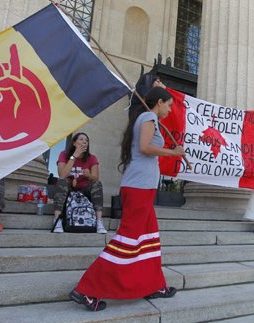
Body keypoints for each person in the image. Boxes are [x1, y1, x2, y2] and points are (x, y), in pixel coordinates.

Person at [69, 86, 185, 311]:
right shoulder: (149, 117)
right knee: (128, 238)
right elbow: (144, 147)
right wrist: (173, 152)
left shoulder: (146, 118)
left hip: (143, 186)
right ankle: (87, 288)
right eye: (169, 105)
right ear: (159, 102)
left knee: (149, 239)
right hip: (139, 187)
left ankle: (154, 284)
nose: (170, 110)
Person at [51, 132, 107, 234]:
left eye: (86, 140)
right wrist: (74, 156)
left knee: (97, 184)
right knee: (61, 182)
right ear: (74, 143)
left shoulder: (92, 158)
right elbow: (62, 175)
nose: (84, 142)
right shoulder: (64, 154)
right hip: (68, 188)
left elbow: (95, 179)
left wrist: (88, 175)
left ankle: (99, 221)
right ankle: (57, 220)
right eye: (81, 139)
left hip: (84, 189)